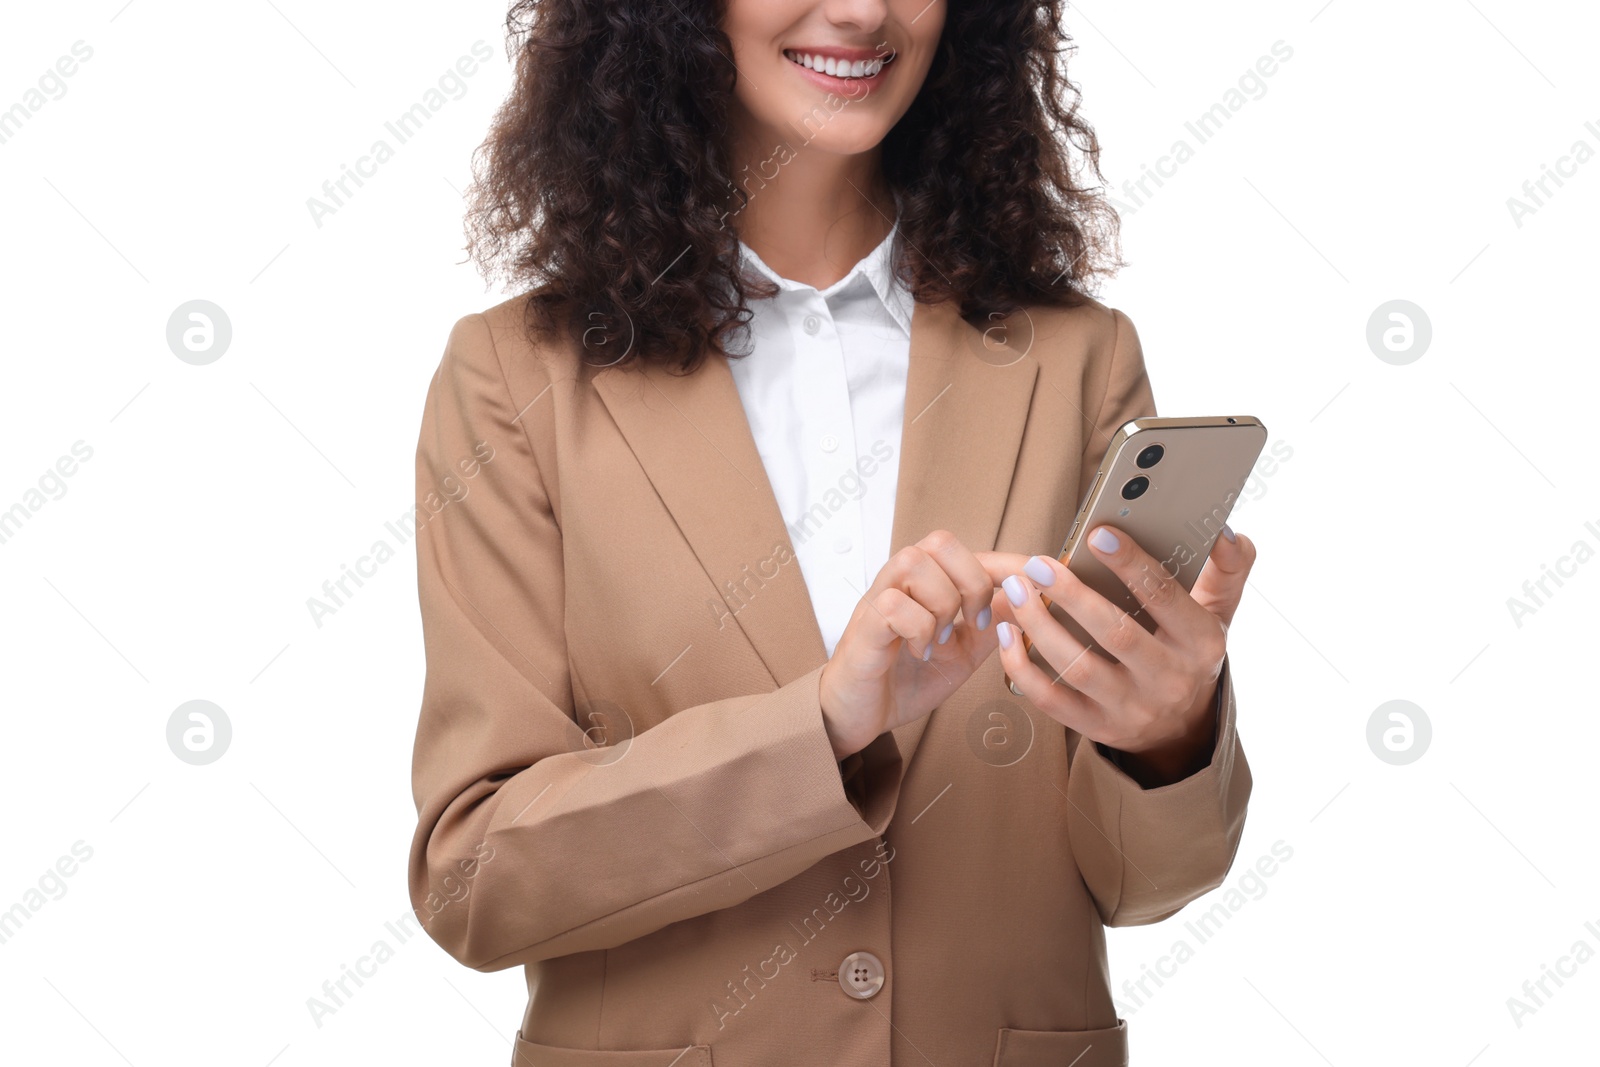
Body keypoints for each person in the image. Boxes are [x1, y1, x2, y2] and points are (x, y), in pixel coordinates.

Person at [407, 1, 1257, 1063]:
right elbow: (473, 880)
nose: (861, 10)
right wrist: (820, 726)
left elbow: (1144, 883)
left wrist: (1168, 737)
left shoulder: (1076, 358)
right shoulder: (514, 379)